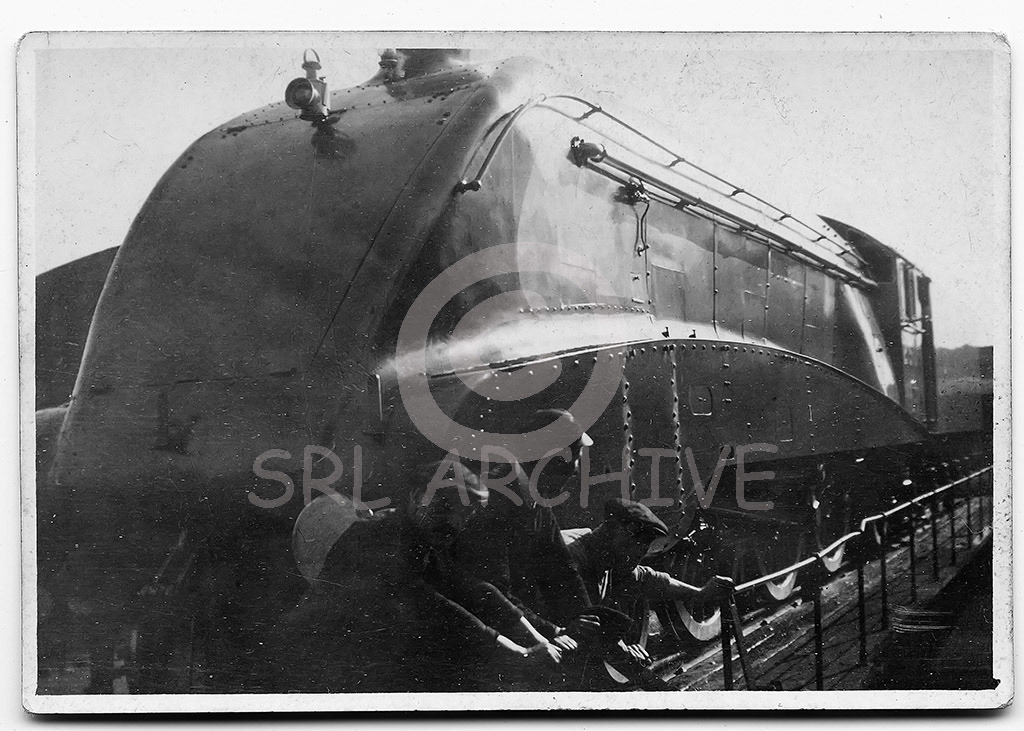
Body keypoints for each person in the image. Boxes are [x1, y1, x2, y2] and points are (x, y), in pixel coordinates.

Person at [402, 462, 565, 690]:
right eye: (445, 506)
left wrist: (540, 639)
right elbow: (435, 605)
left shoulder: (425, 538)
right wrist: (522, 655)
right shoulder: (386, 541)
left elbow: (476, 589)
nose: (455, 522)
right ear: (416, 496)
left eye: (465, 515)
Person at [564, 498, 735, 666]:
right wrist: (621, 647)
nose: (643, 552)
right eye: (639, 543)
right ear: (617, 531)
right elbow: (584, 620)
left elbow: (649, 580)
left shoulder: (606, 554)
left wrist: (700, 593)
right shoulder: (570, 557)